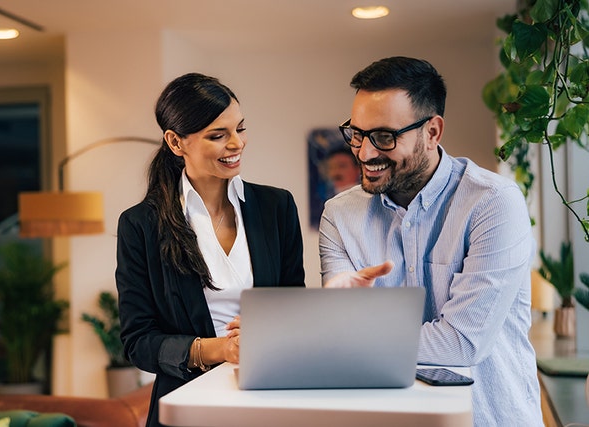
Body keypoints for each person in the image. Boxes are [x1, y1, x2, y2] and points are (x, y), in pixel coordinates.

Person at [318, 57, 542, 427]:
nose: (365, 152)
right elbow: (341, 327)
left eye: (385, 137)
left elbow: (461, 344)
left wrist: (345, 334)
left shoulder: (493, 203)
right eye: (357, 134)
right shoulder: (339, 216)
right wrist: (333, 321)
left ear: (433, 132)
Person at [116, 72, 305, 427]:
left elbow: (294, 304)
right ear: (176, 142)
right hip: (189, 407)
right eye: (218, 135)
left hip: (270, 400)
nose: (237, 144)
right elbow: (138, 341)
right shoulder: (141, 225)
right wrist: (218, 348)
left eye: (240, 128)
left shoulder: (276, 207)